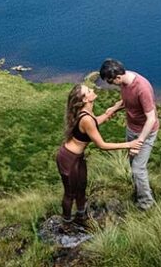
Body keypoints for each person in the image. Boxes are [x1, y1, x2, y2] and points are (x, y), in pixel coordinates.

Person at [57, 83, 137, 226]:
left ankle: (81, 217)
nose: (92, 89)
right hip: (68, 159)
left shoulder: (86, 113)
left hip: (77, 157)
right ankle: (66, 224)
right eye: (88, 90)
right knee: (70, 193)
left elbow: (95, 122)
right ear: (85, 99)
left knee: (81, 187)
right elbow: (102, 145)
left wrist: (113, 109)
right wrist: (129, 145)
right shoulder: (86, 118)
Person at [99, 58, 159, 210]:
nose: (111, 84)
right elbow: (127, 100)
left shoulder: (142, 88)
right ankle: (139, 191)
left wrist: (139, 142)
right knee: (133, 165)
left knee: (138, 169)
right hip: (132, 128)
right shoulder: (125, 81)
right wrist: (114, 108)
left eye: (111, 82)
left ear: (118, 77)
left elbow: (151, 118)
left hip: (145, 132)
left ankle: (146, 205)